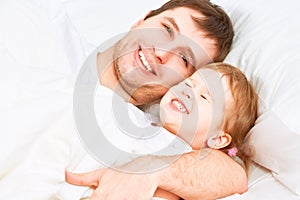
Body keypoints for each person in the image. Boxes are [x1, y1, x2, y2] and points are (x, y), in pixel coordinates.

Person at [66, 0, 248, 199]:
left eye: (184, 59)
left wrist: (150, 172)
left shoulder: (146, 128)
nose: (161, 53)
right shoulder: (51, 32)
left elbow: (234, 174)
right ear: (143, 19)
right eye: (167, 30)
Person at [66, 62, 258, 200]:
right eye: (189, 83)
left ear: (217, 139)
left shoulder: (191, 162)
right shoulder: (141, 120)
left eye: (204, 97)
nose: (187, 91)